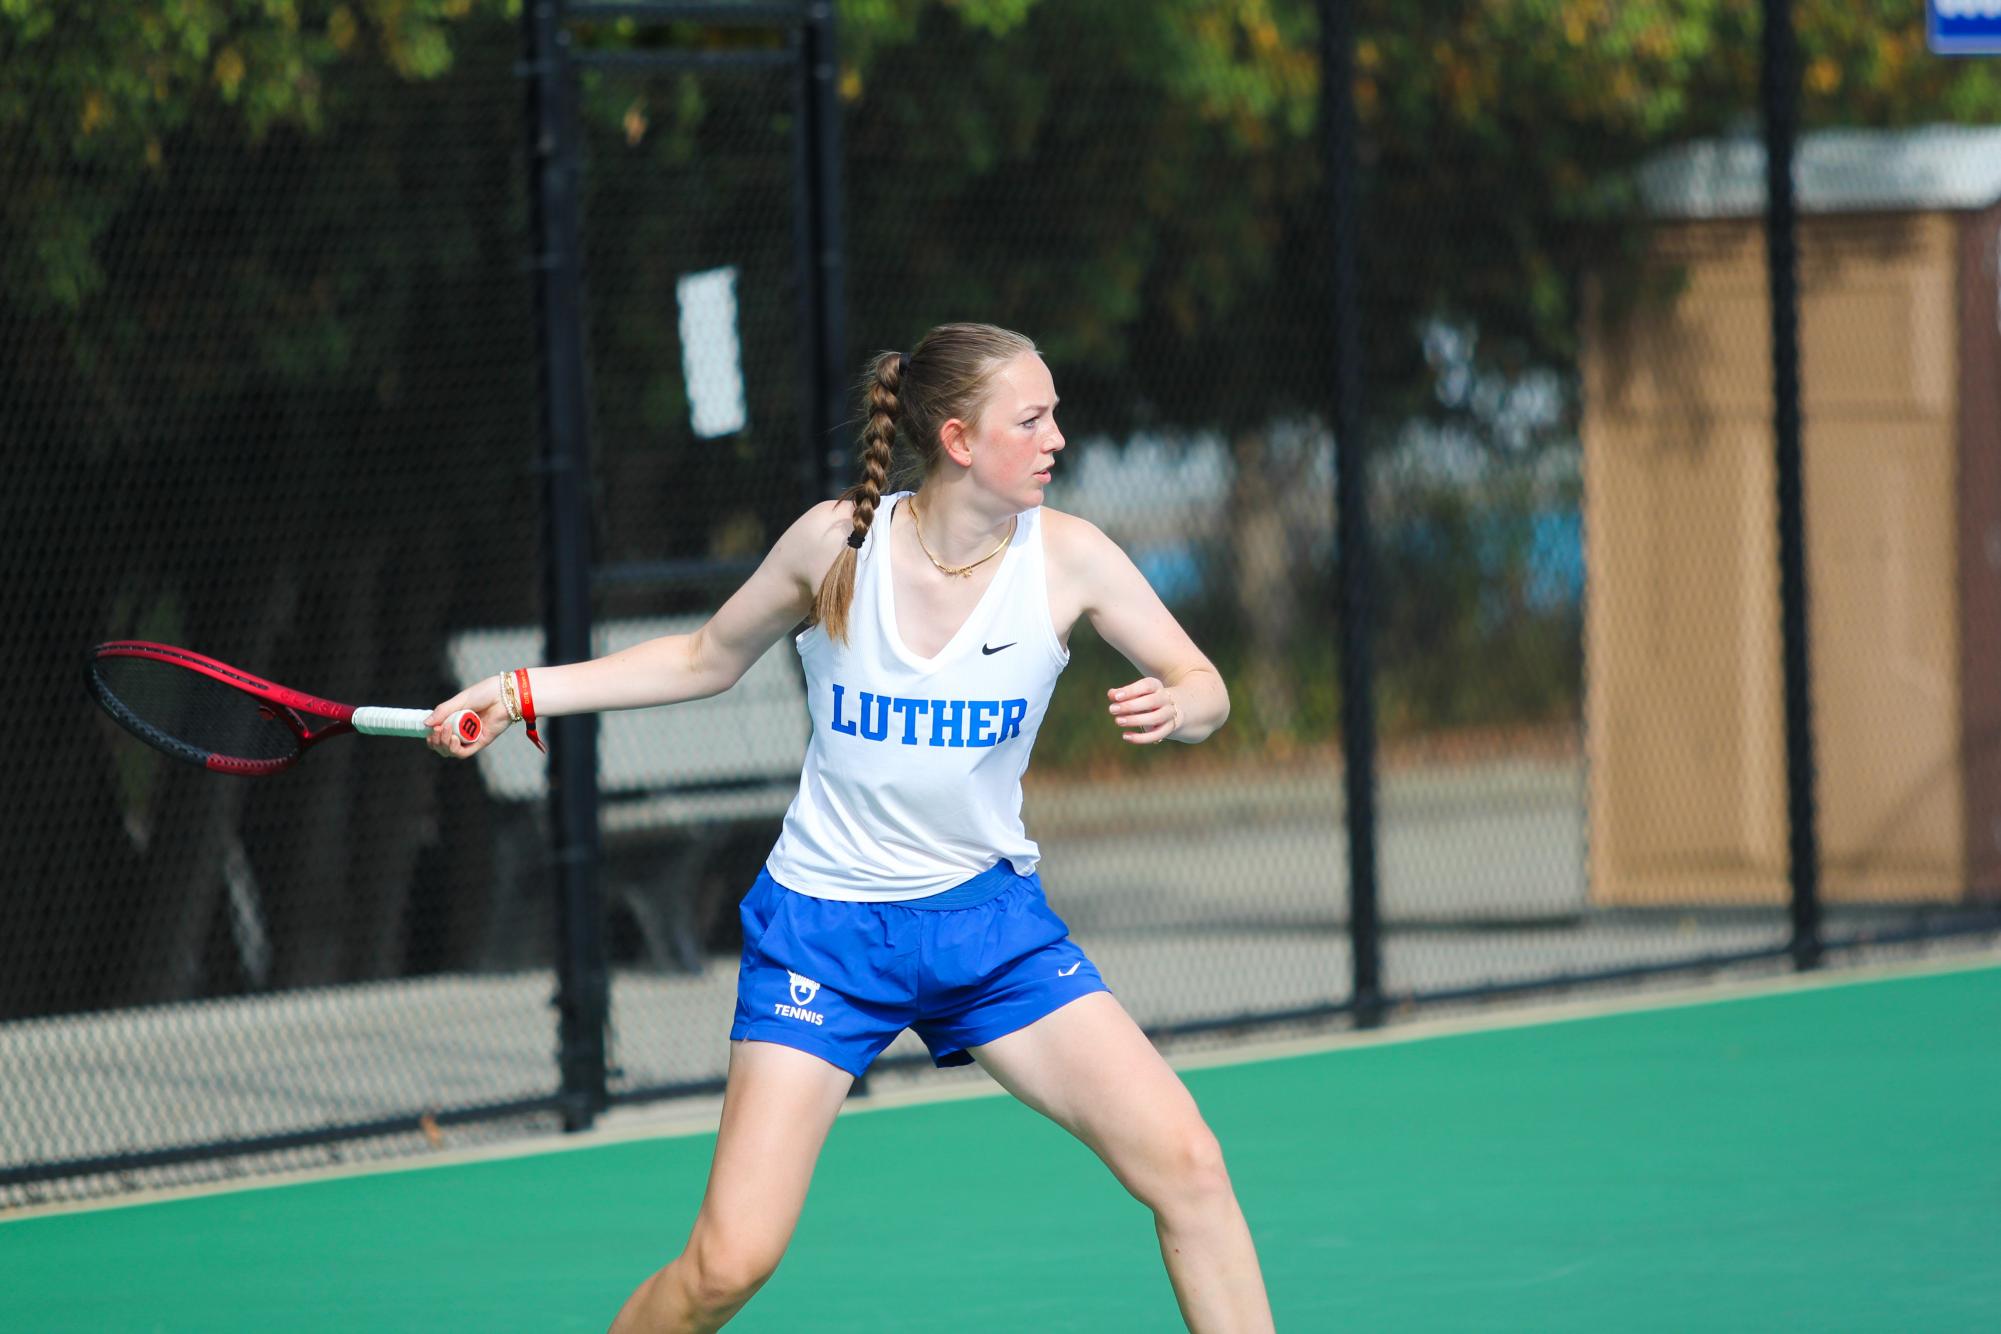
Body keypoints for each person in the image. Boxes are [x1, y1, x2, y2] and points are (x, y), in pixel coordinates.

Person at [426, 323, 1275, 1333]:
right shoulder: (839, 542)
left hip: (989, 930)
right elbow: (702, 656)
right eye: (1033, 418)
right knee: (727, 1262)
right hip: (823, 939)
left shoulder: (1071, 559)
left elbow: (1205, 681)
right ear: (959, 439)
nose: (1057, 437)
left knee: (1190, 1165)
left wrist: (1184, 706)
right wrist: (523, 691)